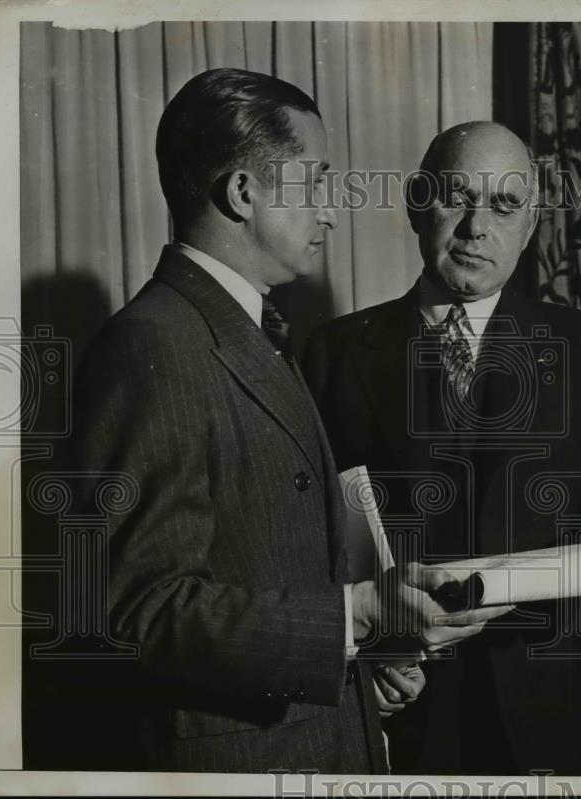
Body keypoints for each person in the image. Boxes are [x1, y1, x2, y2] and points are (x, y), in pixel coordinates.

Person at [64, 68, 508, 774]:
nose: (333, 210)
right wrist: (355, 614)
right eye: (317, 182)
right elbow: (138, 613)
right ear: (243, 193)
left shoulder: (245, 330)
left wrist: (359, 659)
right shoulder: (152, 345)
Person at [302, 121, 581, 775]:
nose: (475, 225)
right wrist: (366, 651)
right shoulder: (336, 353)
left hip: (553, 709)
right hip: (412, 708)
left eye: (504, 204)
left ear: (531, 225)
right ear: (415, 202)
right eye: (456, 196)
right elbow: (318, 538)